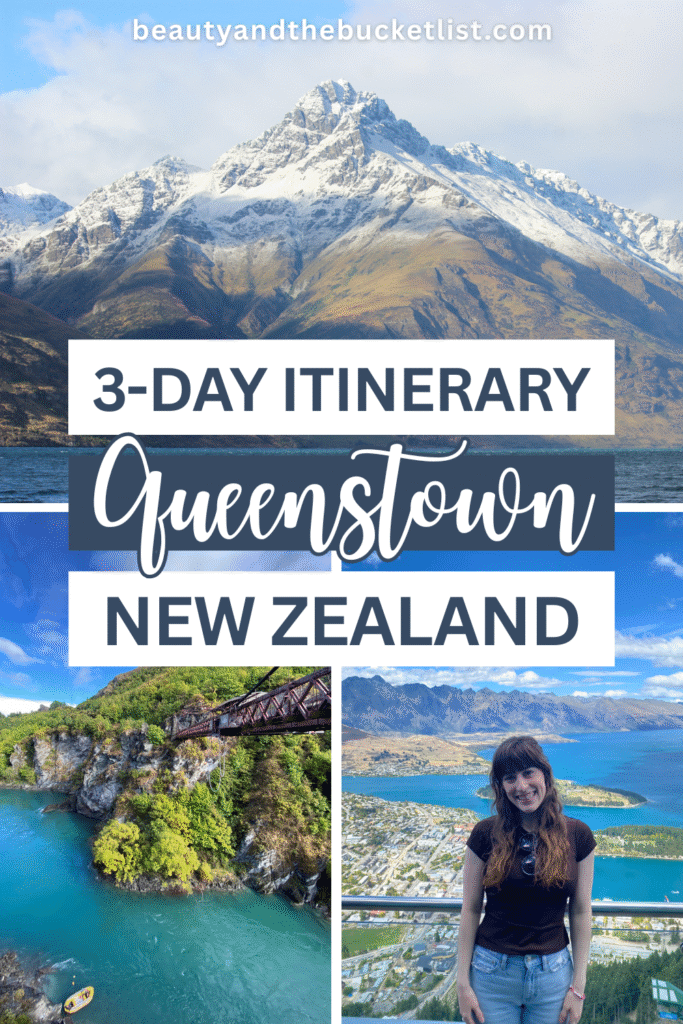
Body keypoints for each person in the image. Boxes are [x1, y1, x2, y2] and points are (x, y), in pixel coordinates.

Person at [456, 736, 595, 1024]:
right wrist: (462, 984)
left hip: (554, 977)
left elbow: (581, 910)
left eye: (528, 773)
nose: (521, 786)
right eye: (509, 778)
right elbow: (470, 909)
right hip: (491, 974)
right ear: (500, 786)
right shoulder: (484, 834)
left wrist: (578, 988)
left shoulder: (578, 835)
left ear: (545, 774)